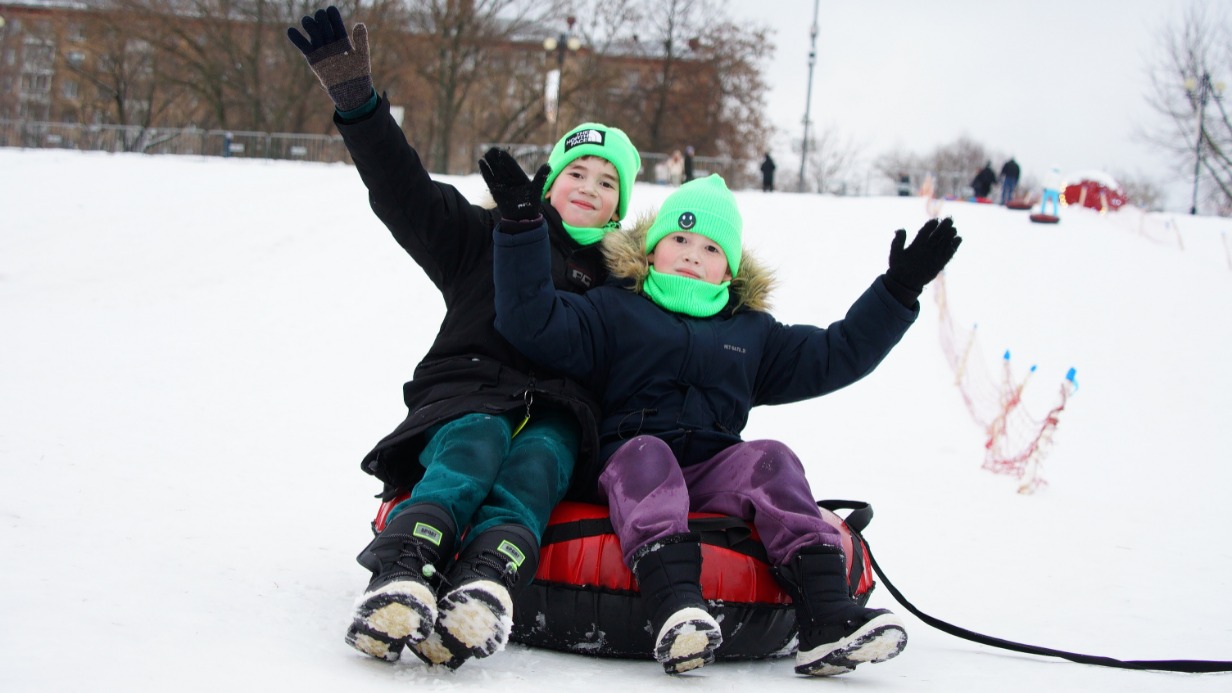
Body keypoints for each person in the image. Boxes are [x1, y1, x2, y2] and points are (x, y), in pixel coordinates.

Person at [487, 169, 961, 676]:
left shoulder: (753, 333)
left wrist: (898, 289)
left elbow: (837, 353)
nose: (693, 253)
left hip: (713, 468)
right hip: (629, 461)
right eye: (680, 238)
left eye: (712, 249)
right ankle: (676, 606)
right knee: (649, 455)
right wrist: (521, 229)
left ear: (730, 272)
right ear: (650, 252)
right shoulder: (613, 308)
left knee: (772, 457)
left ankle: (828, 617)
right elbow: (531, 321)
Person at [286, 6, 642, 670]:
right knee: (475, 445)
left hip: (560, 414)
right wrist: (359, 105)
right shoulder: (482, 237)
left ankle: (486, 584)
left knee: (538, 463)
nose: (589, 187)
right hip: (468, 393)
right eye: (577, 171)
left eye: (607, 180)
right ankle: (401, 574)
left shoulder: (622, 287)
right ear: (549, 179)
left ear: (620, 206)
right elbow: (405, 193)